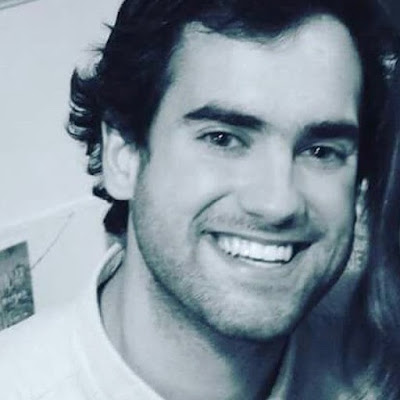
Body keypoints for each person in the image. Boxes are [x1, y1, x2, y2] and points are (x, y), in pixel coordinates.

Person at [0, 0, 398, 399]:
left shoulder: (380, 363)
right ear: (122, 156)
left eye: (321, 151)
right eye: (222, 139)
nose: (278, 203)